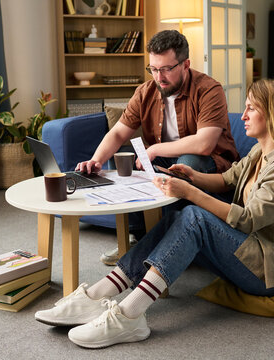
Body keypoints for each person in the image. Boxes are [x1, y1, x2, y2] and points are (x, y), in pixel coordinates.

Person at [35, 79, 274, 348]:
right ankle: (97, 295)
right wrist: (190, 176)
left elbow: (249, 218)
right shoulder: (259, 151)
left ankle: (129, 315)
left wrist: (189, 192)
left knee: (194, 216)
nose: (243, 116)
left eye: (252, 108)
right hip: (255, 251)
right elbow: (227, 180)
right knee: (179, 217)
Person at [77, 30, 238, 265]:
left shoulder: (209, 89)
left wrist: (154, 150)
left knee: (185, 164)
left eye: (166, 69)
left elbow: (204, 144)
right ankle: (138, 235)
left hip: (211, 165)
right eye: (153, 68)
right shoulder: (145, 91)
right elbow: (119, 132)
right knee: (122, 161)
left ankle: (175, 241)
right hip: (166, 159)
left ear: (186, 65)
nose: (158, 77)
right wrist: (96, 160)